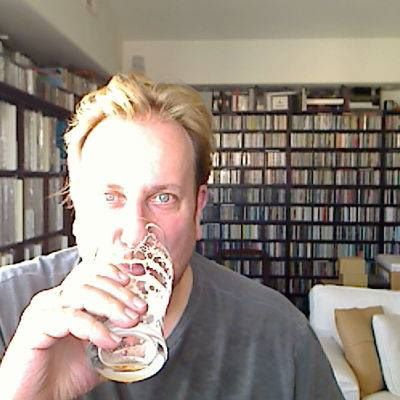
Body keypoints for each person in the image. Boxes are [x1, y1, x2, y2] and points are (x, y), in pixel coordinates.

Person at [0, 73, 344, 400]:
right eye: (110, 197)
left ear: (197, 209)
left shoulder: (281, 335)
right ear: (75, 205)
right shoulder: (7, 307)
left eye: (163, 198)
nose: (135, 233)